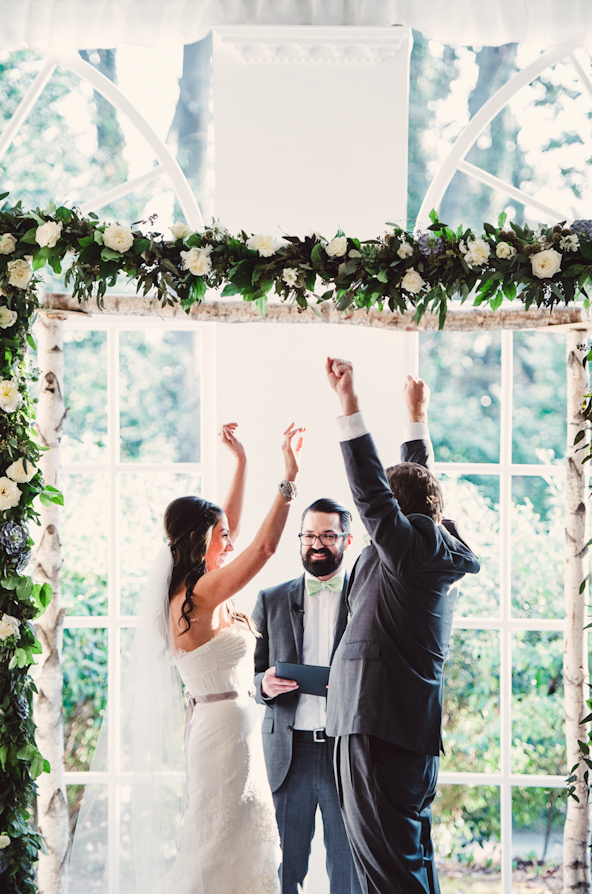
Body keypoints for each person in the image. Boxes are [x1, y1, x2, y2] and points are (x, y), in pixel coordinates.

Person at [67, 421, 303, 894]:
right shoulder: (198, 595)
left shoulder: (199, 584)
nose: (229, 539)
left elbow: (231, 528)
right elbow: (263, 547)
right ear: (200, 539)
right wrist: (290, 477)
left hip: (234, 731)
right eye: (221, 534)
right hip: (222, 737)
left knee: (235, 843)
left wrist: (242, 462)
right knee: (217, 848)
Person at [324, 359, 481, 894]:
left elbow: (376, 492)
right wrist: (416, 420)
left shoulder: (407, 550)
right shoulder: (427, 547)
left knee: (391, 872)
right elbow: (418, 492)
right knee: (403, 863)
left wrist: (349, 405)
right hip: (394, 728)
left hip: (377, 725)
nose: (372, 522)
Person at [252, 497, 361, 894]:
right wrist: (264, 685)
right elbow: (253, 672)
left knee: (347, 871)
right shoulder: (271, 598)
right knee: (283, 869)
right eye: (309, 535)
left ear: (347, 541)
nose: (317, 543)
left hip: (345, 754)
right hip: (288, 753)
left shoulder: (366, 598)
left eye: (328, 535)